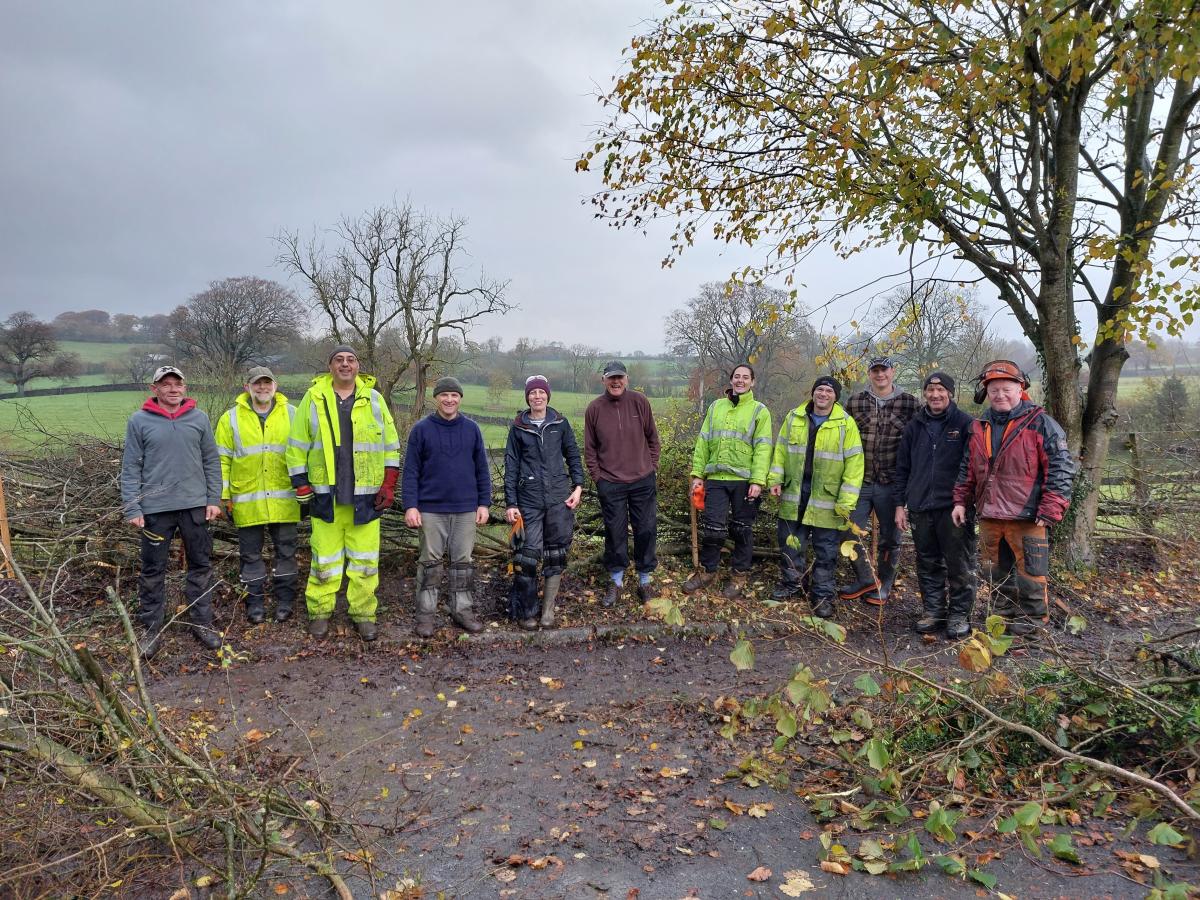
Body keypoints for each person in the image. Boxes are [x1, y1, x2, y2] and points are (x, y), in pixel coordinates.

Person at [285, 346, 400, 642]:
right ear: (330, 366)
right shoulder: (314, 398)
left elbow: (389, 444)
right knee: (325, 559)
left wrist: (388, 483)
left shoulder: (375, 400)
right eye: (339, 360)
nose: (345, 364)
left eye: (351, 360)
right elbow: (296, 445)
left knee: (364, 561)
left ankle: (363, 615)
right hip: (326, 497)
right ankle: (320, 613)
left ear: (358, 366)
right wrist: (301, 483)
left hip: (366, 497)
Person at [952, 360, 1075, 636]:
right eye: (994, 390)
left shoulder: (1041, 423)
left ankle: (1034, 626)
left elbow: (1061, 467)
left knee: (1032, 574)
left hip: (1029, 515)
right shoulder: (978, 426)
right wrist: (960, 501)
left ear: (1021, 389)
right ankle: (1001, 621)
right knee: (994, 572)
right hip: (990, 514)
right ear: (987, 393)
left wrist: (1051, 507)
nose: (1000, 395)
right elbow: (967, 468)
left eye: (1006, 389)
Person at [120, 365, 223, 659]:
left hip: (195, 507)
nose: (173, 389)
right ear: (155, 389)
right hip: (155, 511)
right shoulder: (139, 421)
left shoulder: (199, 418)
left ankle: (201, 622)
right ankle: (151, 629)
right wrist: (132, 506)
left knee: (200, 565)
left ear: (185, 388)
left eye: (178, 384)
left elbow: (211, 462)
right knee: (153, 570)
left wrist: (213, 499)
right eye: (166, 384)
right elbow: (131, 467)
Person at [402, 376, 492, 637]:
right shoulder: (421, 429)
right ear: (436, 398)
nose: (449, 399)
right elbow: (411, 471)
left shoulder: (472, 429)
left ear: (460, 399)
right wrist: (411, 506)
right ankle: (426, 616)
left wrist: (484, 503)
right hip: (430, 509)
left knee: (462, 564)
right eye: (444, 395)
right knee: (430, 563)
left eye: (454, 395)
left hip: (465, 509)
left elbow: (482, 470)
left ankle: (461, 610)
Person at [767, 376, 864, 618]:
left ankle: (822, 595)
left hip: (827, 497)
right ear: (813, 393)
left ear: (835, 397)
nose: (823, 394)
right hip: (795, 491)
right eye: (819, 389)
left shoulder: (845, 424)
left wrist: (846, 502)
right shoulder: (794, 417)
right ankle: (792, 585)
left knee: (826, 549)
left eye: (828, 391)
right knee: (791, 541)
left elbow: (854, 465)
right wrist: (775, 479)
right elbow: (780, 451)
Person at [893, 372, 975, 639]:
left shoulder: (965, 424)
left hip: (954, 508)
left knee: (958, 562)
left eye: (941, 390)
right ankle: (934, 611)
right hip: (919, 505)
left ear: (950, 393)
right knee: (927, 561)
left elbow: (970, 467)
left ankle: (959, 614)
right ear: (925, 393)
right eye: (930, 390)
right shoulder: (914, 426)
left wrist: (962, 500)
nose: (935, 395)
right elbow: (902, 468)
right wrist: (899, 505)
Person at [215, 366, 299, 626]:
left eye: (267, 383)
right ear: (247, 387)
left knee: (286, 553)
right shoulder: (230, 419)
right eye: (257, 384)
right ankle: (255, 604)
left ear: (276, 386)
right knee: (250, 556)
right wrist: (224, 496)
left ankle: (285, 602)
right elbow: (222, 460)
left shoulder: (294, 414)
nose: (263, 388)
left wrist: (307, 489)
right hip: (247, 501)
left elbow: (307, 455)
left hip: (285, 500)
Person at [684, 364, 773, 599]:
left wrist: (758, 480)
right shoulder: (715, 407)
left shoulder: (759, 411)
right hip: (716, 479)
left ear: (753, 382)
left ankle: (738, 576)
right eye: (737, 377)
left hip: (745, 481)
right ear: (731, 380)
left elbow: (763, 448)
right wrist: (697, 475)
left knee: (742, 530)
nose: (740, 381)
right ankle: (707, 571)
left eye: (745, 377)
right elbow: (703, 443)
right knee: (713, 530)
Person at [503, 375, 585, 629]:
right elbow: (511, 465)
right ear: (527, 397)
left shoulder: (560, 424)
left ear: (548, 396)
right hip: (528, 501)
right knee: (526, 556)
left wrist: (578, 486)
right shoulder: (518, 427)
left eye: (541, 392)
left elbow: (572, 454)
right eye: (532, 393)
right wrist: (511, 503)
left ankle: (547, 611)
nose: (537, 396)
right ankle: (527, 611)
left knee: (556, 555)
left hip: (559, 499)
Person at [841, 356, 920, 604]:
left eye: (884, 370)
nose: (880, 375)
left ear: (892, 372)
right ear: (869, 374)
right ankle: (866, 578)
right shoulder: (855, 402)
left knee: (891, 538)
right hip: (860, 481)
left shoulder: (909, 404)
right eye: (875, 371)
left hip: (892, 483)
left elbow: (919, 440)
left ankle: (884, 585)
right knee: (847, 531)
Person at [584, 360, 661, 607]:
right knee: (615, 533)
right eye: (611, 378)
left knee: (646, 529)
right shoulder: (594, 409)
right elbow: (590, 449)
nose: (616, 382)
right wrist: (599, 479)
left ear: (627, 379)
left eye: (620, 377)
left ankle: (645, 580)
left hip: (642, 479)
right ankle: (616, 582)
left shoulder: (640, 402)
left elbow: (653, 438)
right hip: (611, 483)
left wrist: (652, 467)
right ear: (603, 380)